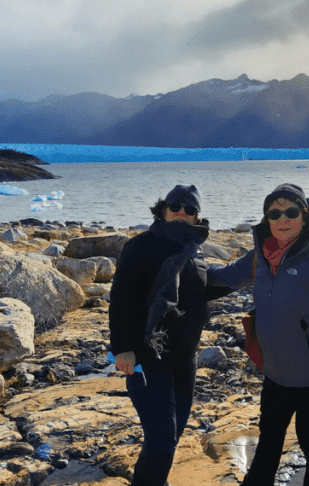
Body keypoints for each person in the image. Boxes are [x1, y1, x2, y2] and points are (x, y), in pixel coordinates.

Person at [209, 183, 309, 486]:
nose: (283, 219)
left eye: (291, 211)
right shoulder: (261, 257)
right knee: (267, 447)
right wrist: (184, 270)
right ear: (267, 218)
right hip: (276, 378)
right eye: (274, 213)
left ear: (304, 217)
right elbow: (223, 278)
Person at [109, 184, 230, 486]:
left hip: (184, 360)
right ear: (163, 210)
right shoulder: (141, 245)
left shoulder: (193, 251)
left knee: (168, 437)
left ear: (196, 217)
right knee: (162, 439)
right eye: (175, 207)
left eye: (189, 210)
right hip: (147, 357)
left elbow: (200, 290)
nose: (181, 213)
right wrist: (122, 348)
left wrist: (258, 269)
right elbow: (121, 298)